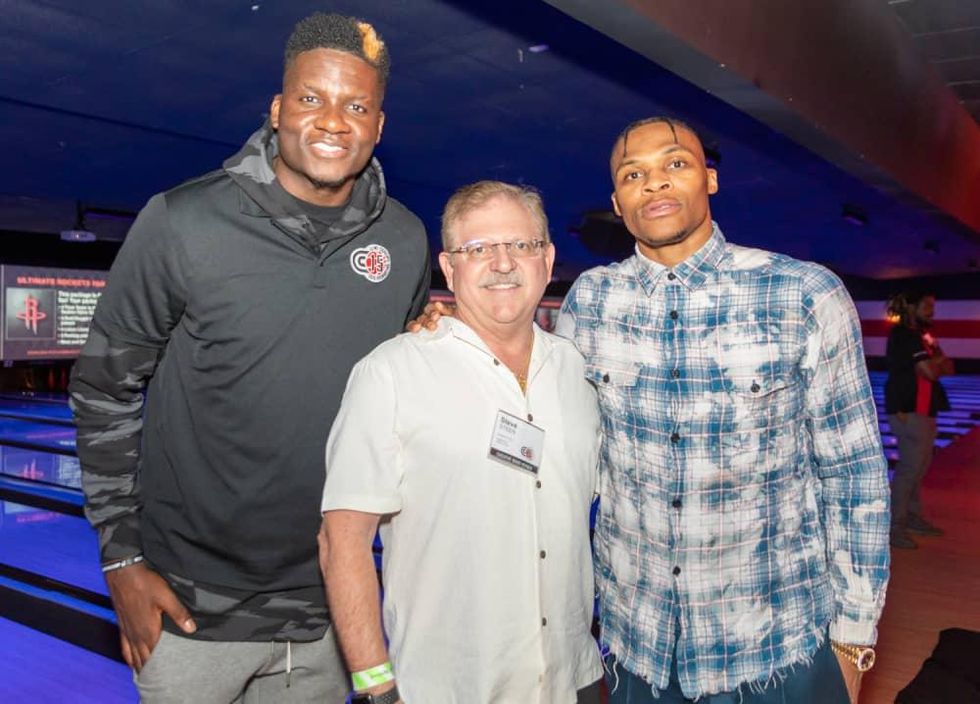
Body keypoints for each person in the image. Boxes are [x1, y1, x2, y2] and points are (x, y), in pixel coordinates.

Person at [68, 13, 430, 702]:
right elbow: (104, 390)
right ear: (277, 108)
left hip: (330, 610)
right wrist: (121, 559)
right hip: (188, 607)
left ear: (379, 125)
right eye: (311, 98)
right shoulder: (183, 221)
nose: (332, 121)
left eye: (356, 105)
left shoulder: (406, 240)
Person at [553, 118, 890, 703]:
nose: (654, 184)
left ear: (709, 178)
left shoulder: (804, 294)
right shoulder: (591, 300)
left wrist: (855, 639)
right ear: (617, 201)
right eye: (634, 175)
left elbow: (855, 474)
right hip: (641, 648)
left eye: (674, 165)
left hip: (778, 648)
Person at [319, 181, 603, 704]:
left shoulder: (581, 372)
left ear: (547, 259)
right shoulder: (392, 373)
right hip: (445, 688)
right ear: (450, 269)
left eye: (520, 245)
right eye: (478, 249)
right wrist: (374, 687)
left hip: (572, 680)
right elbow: (342, 541)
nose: (502, 264)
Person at [884, 290, 954, 549]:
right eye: (926, 305)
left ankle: (911, 517)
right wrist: (936, 365)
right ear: (911, 307)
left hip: (926, 409)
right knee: (909, 470)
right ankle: (894, 527)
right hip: (908, 409)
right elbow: (931, 371)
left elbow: (949, 366)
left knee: (919, 468)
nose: (931, 310)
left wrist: (936, 365)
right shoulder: (904, 335)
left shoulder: (923, 336)